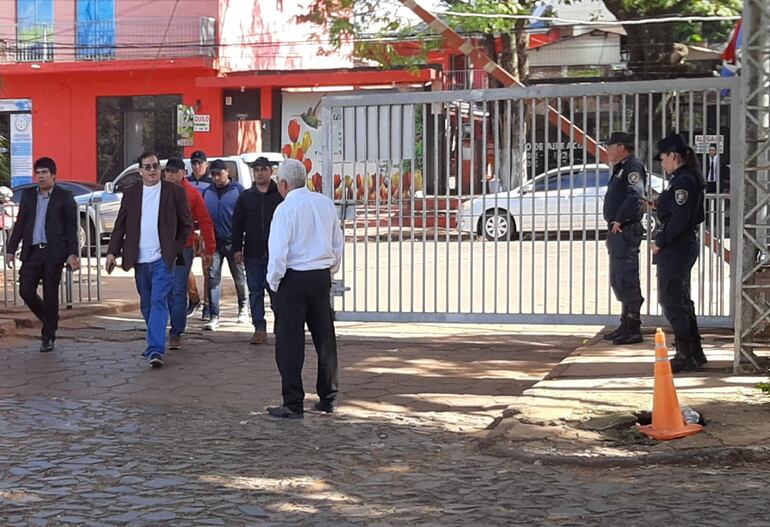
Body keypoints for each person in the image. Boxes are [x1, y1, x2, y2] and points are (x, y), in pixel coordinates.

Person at [265, 159, 343, 419]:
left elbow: (278, 252)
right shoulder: (324, 203)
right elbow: (337, 242)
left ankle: (293, 402)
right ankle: (328, 397)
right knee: (324, 338)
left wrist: (273, 282)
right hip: (320, 277)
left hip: (293, 279)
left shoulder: (285, 209)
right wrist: (330, 270)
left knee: (290, 342)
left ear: (284, 183)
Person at [106, 151, 193, 368]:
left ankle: (155, 349)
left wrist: (175, 248)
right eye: (148, 167)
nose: (153, 170)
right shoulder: (131, 193)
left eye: (156, 166)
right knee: (146, 304)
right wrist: (111, 253)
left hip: (163, 258)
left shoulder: (174, 192)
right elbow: (120, 225)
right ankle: (155, 340)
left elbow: (186, 224)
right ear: (140, 171)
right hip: (139, 258)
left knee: (158, 301)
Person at [4, 157, 80, 352]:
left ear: (53, 175)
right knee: (26, 290)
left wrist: (73, 254)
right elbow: (20, 224)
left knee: (50, 293)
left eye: (44, 173)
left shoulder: (64, 197)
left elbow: (72, 228)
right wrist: (11, 250)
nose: (40, 176)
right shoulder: (29, 196)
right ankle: (49, 319)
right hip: (32, 252)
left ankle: (48, 336)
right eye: (38, 173)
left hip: (54, 253)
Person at [651, 133, 707, 373]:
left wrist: (660, 241)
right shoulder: (680, 179)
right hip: (681, 244)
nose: (662, 163)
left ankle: (685, 354)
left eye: (663, 158)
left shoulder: (683, 180)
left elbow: (680, 218)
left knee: (671, 299)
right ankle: (693, 352)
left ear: (673, 156)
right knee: (680, 299)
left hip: (678, 245)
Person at [163, 158, 216, 350]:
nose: (169, 175)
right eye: (167, 171)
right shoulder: (158, 191)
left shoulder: (192, 194)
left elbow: (205, 221)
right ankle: (169, 324)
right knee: (164, 289)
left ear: (182, 173)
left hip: (183, 248)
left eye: (173, 171)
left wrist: (209, 248)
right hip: (160, 247)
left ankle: (176, 331)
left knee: (178, 289)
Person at [232, 156, 283, 345]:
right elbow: (237, 225)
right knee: (255, 291)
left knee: (277, 291)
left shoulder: (279, 194)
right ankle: (259, 328)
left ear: (271, 171)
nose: (260, 173)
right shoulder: (245, 197)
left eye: (264, 169)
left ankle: (281, 326)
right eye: (257, 170)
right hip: (253, 252)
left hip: (277, 253)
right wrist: (237, 248)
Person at [602, 132, 646, 345]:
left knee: (627, 277)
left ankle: (633, 326)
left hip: (626, 230)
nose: (607, 150)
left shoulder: (633, 167)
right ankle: (624, 323)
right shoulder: (621, 167)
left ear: (621, 147)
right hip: (618, 231)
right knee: (618, 278)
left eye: (609, 146)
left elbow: (635, 196)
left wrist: (619, 219)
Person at [201, 159, 248, 331]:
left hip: (234, 241)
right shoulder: (207, 192)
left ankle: (243, 307)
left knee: (239, 277)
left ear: (227, 172)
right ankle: (214, 316)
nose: (216, 178)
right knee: (213, 278)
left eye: (219, 174)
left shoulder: (238, 191)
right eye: (212, 174)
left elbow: (246, 217)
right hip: (214, 243)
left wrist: (242, 241)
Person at [186, 150, 212, 320]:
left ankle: (208, 305)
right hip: (188, 230)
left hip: (203, 229)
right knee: (185, 268)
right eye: (194, 163)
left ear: (206, 164)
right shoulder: (185, 182)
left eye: (199, 163)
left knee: (207, 269)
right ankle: (194, 298)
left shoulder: (211, 183)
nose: (196, 166)